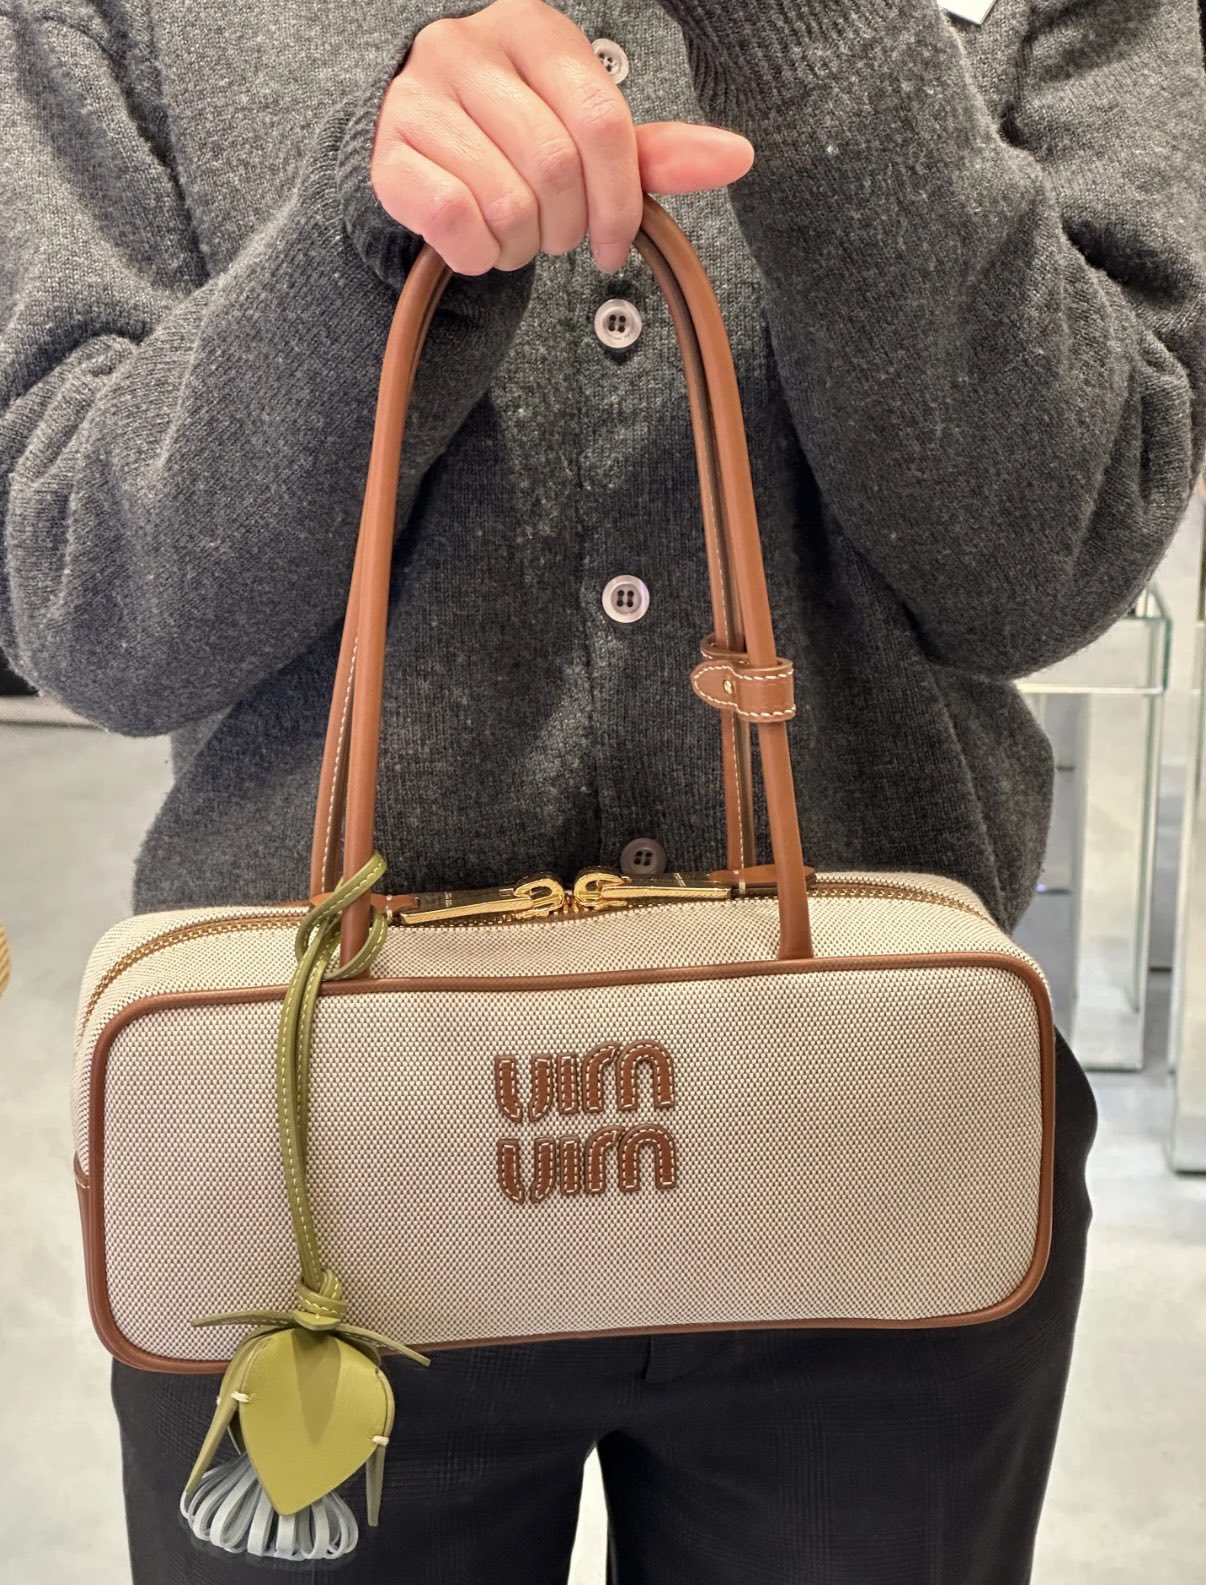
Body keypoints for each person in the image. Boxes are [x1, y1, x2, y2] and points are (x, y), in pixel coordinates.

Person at [3, 0, 1205, 1580]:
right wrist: (369, 242)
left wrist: (818, 49)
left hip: (872, 1172)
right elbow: (86, 600)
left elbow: (1055, 546)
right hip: (316, 1199)